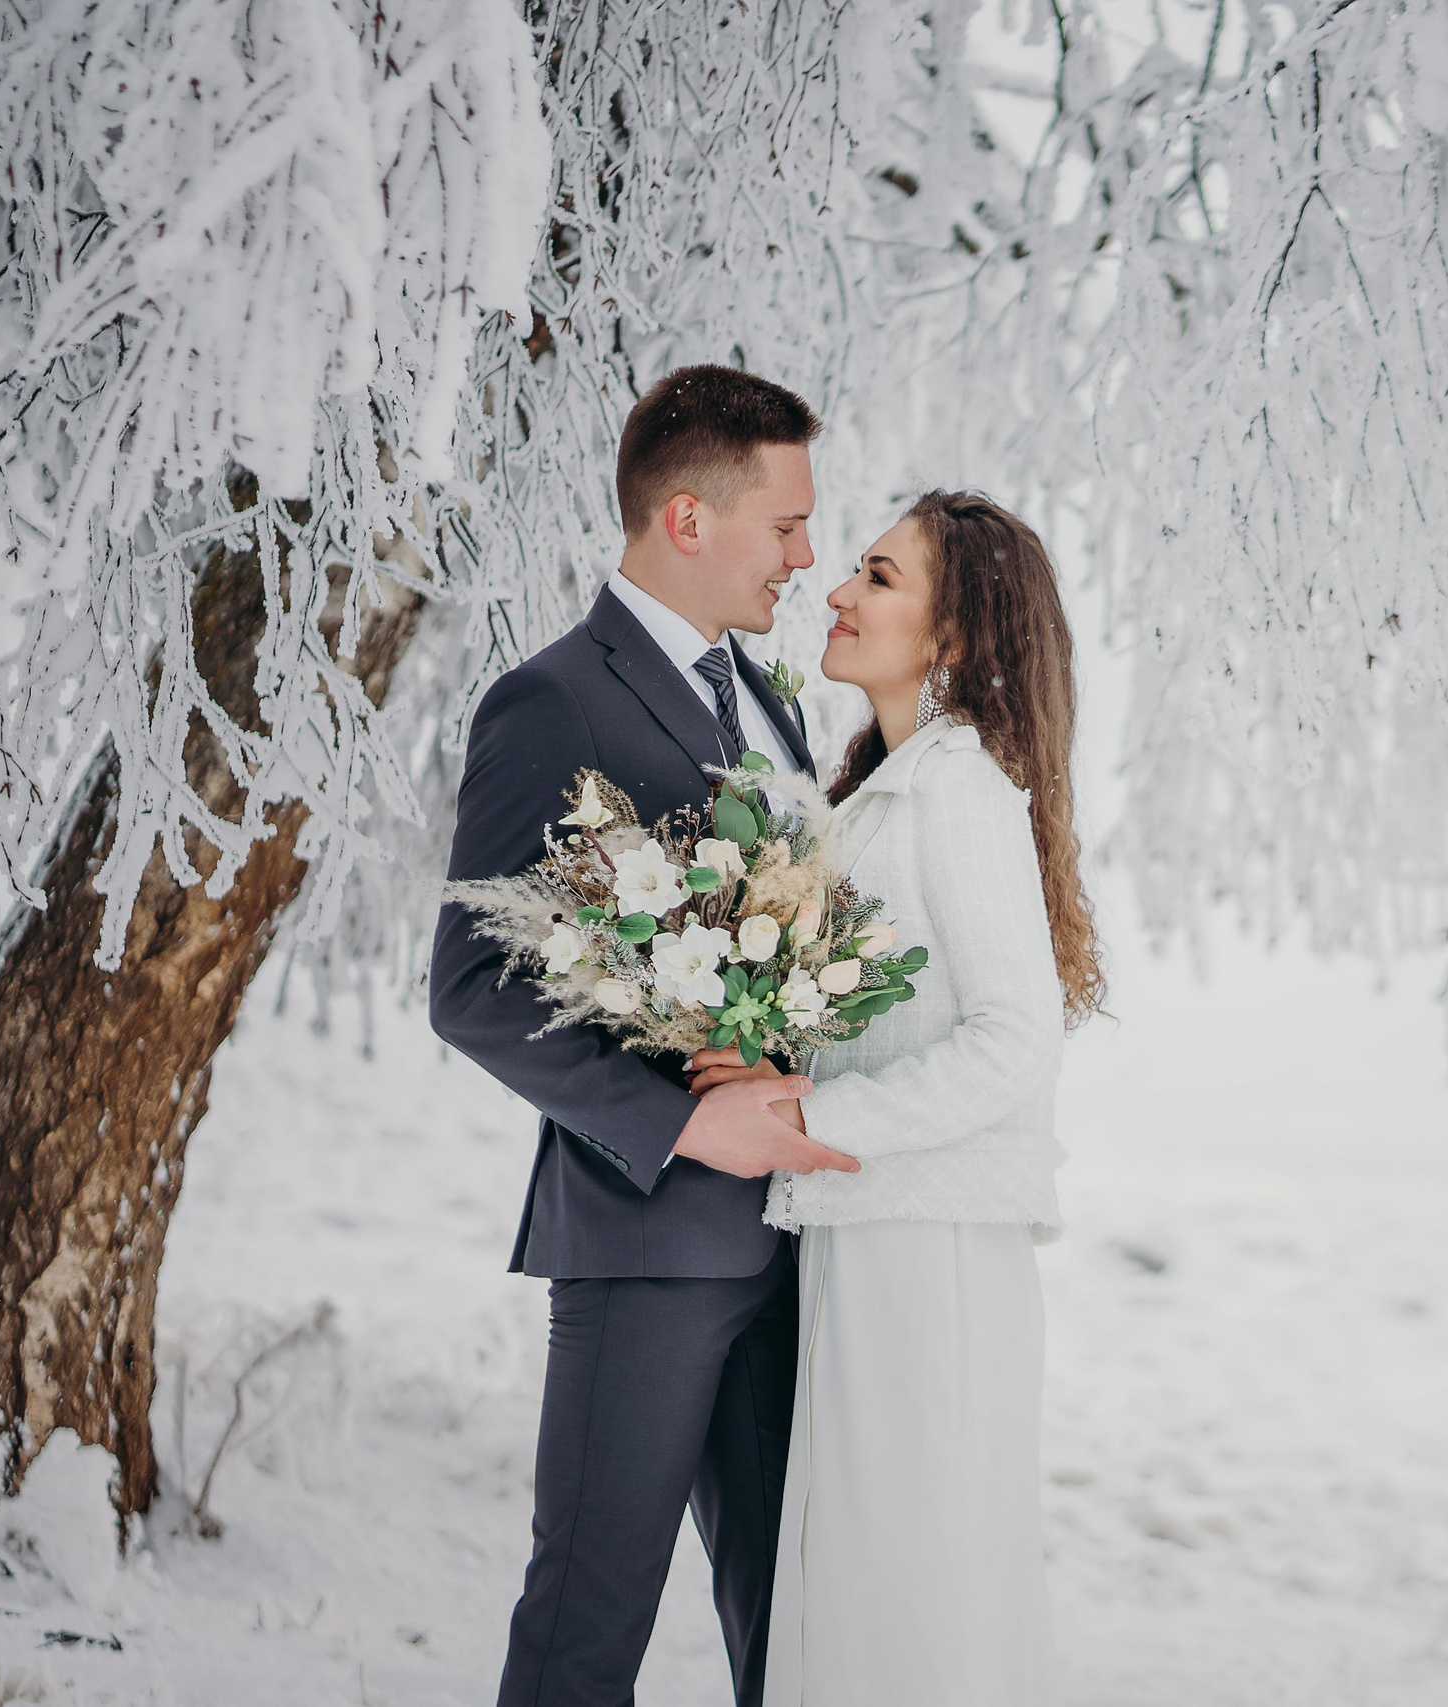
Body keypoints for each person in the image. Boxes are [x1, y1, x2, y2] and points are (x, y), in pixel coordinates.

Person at [428, 365, 861, 1707]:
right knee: (586, 1625)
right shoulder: (553, 700)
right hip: (643, 1239)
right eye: (784, 525)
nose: (807, 555)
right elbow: (471, 985)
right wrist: (683, 1119)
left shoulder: (768, 696)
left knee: (792, 1631)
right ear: (686, 519)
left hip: (789, 1243)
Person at [685, 490, 1104, 1706]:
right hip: (874, 1238)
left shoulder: (957, 790)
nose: (836, 592)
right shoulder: (887, 783)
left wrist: (808, 1121)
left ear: (955, 635)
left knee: (913, 1596)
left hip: (929, 1253)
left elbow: (1014, 1040)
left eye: (877, 576)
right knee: (865, 1589)